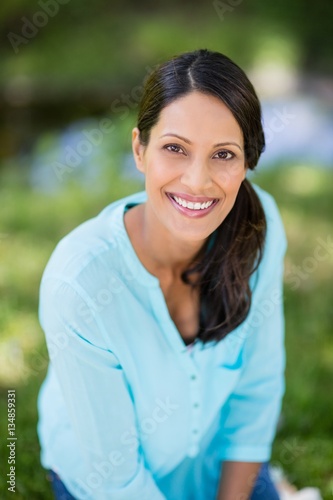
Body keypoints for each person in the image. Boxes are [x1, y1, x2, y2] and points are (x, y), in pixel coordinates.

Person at [37, 49, 288, 499]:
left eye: (223, 154)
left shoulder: (259, 228)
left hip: (213, 465)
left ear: (247, 161)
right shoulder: (79, 282)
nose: (197, 181)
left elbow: (257, 389)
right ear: (139, 148)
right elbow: (116, 478)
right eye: (175, 148)